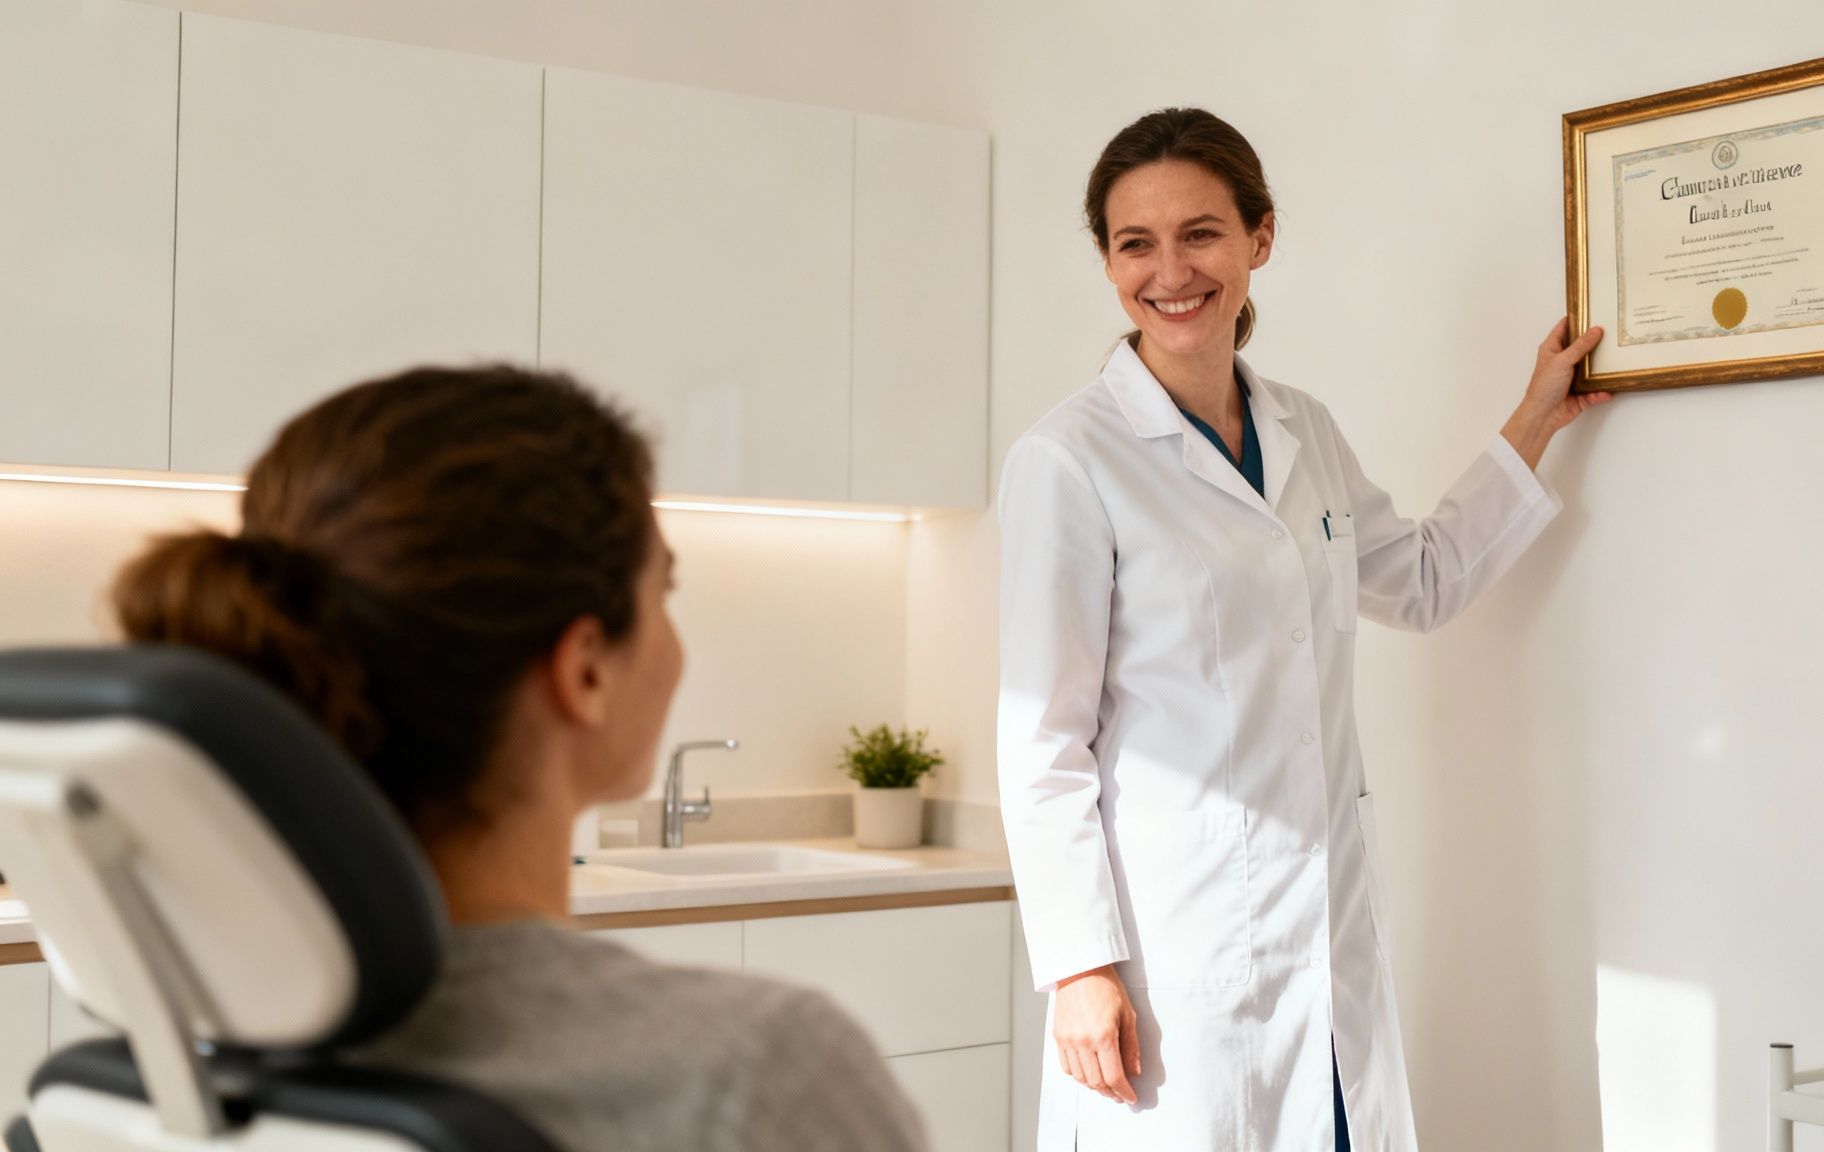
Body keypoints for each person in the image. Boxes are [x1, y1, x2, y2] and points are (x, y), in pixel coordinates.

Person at [112, 365, 927, 1152]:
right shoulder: (757, 1076)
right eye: (664, 594)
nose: (677, 647)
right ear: (585, 670)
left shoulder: (174, 1049)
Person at [996, 108, 1611, 1151]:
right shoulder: (1068, 460)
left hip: (1322, 934)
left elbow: (1419, 580)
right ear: (1107, 261)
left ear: (1260, 237)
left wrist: (1535, 418)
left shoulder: (1302, 429)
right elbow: (1041, 741)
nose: (1170, 272)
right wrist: (1080, 966)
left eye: (1201, 233)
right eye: (1135, 243)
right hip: (1174, 950)